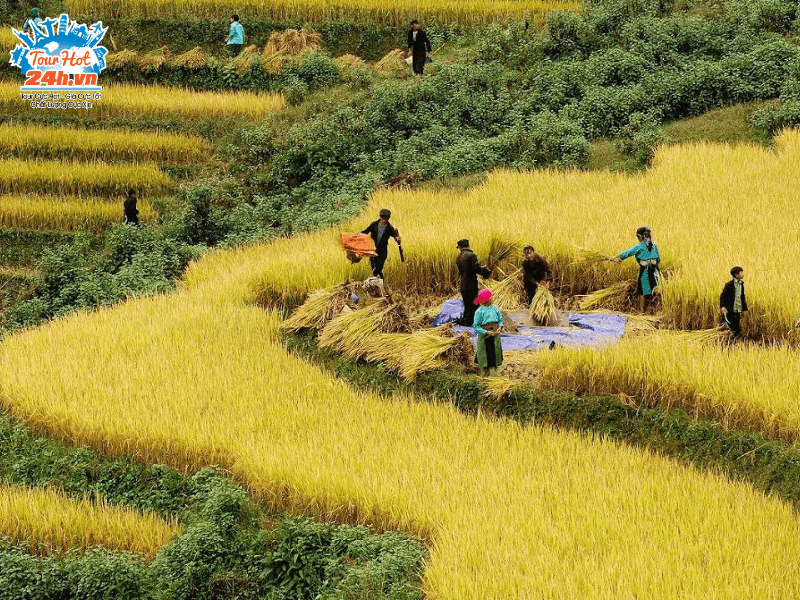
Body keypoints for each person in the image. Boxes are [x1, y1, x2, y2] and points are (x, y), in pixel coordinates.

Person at [612, 225, 661, 312]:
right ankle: (657, 311)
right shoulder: (654, 245)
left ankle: (642, 312)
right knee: (657, 290)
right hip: (655, 271)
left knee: (643, 291)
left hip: (645, 271)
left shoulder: (639, 246)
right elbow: (658, 260)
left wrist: (615, 258)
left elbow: (627, 253)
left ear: (639, 237)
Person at [456, 239, 491, 326]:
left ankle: (466, 321)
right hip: (471, 285)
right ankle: (475, 322)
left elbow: (467, 269)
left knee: (467, 306)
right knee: (474, 305)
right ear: (468, 246)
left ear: (460, 247)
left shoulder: (459, 257)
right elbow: (475, 269)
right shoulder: (471, 255)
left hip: (463, 285)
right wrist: (485, 271)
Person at [361, 209, 401, 279]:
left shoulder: (389, 228)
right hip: (373, 250)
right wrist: (357, 235)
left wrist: (397, 238)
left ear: (388, 219)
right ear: (380, 217)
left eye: (385, 219)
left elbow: (395, 236)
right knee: (374, 268)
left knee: (378, 268)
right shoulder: (374, 225)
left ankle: (378, 281)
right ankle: (379, 281)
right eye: (382, 219)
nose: (383, 221)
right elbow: (366, 231)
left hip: (382, 251)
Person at [473, 289, 504, 377]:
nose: (492, 297)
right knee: (485, 354)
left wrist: (500, 327)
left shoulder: (495, 308)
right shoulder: (479, 311)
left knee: (495, 354)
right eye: (490, 296)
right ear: (486, 299)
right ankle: (484, 375)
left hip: (495, 334)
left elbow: (500, 319)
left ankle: (494, 375)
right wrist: (487, 332)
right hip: (485, 336)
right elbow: (476, 326)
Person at [720, 266, 747, 341]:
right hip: (730, 309)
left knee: (737, 324)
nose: (743, 274)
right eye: (741, 272)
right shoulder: (729, 285)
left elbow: (742, 296)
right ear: (736, 275)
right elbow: (723, 296)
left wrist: (743, 309)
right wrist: (723, 306)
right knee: (730, 325)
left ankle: (736, 340)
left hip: (738, 309)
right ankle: (729, 340)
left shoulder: (741, 284)